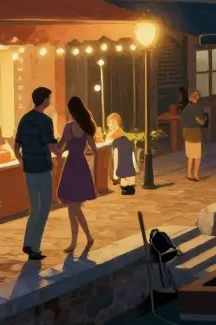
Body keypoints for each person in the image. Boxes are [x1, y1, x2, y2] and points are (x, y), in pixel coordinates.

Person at [14, 85, 57, 260]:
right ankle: (34, 247)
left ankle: (28, 243)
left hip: (29, 169)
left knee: (35, 207)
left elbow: (16, 146)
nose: (50, 100)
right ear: (45, 100)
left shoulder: (24, 119)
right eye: (49, 97)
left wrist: (21, 161)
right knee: (45, 207)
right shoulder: (45, 121)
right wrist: (62, 150)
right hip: (43, 168)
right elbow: (52, 146)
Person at [56, 97, 97, 253]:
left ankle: (88, 236)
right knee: (72, 208)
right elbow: (95, 151)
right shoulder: (86, 127)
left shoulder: (70, 127)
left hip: (74, 167)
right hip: (79, 167)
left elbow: (59, 147)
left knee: (74, 207)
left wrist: (51, 148)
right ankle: (75, 241)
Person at [105, 114, 138, 196]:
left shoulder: (118, 132)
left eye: (112, 122)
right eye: (109, 122)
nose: (110, 125)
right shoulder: (112, 132)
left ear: (118, 122)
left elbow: (109, 143)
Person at [181, 90, 207, 182]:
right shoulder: (198, 109)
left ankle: (188, 173)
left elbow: (182, 121)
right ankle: (196, 174)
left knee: (190, 156)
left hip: (186, 133)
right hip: (195, 134)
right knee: (197, 156)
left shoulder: (185, 109)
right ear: (197, 98)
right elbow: (202, 122)